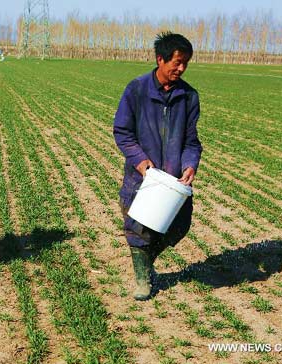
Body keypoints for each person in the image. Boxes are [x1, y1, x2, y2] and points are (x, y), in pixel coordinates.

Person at [113, 32, 203, 300]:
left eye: (186, 63)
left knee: (179, 225)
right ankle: (143, 280)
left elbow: (191, 141)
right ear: (160, 59)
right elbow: (122, 132)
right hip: (142, 177)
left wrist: (190, 165)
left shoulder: (189, 97)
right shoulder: (137, 90)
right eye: (177, 62)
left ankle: (145, 262)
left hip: (173, 180)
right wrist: (140, 161)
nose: (181, 68)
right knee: (139, 229)